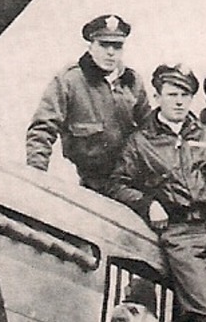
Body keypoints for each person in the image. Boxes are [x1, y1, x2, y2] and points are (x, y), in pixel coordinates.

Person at [108, 62, 206, 320]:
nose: (179, 102)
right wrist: (148, 204)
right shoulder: (140, 141)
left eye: (185, 95)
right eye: (172, 94)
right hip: (181, 232)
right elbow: (116, 184)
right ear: (157, 96)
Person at [25, 13, 150, 196]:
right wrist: (36, 176)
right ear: (91, 46)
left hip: (131, 182)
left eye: (117, 46)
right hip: (94, 187)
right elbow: (43, 129)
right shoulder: (69, 81)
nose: (110, 52)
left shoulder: (132, 81)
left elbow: (151, 129)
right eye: (104, 44)